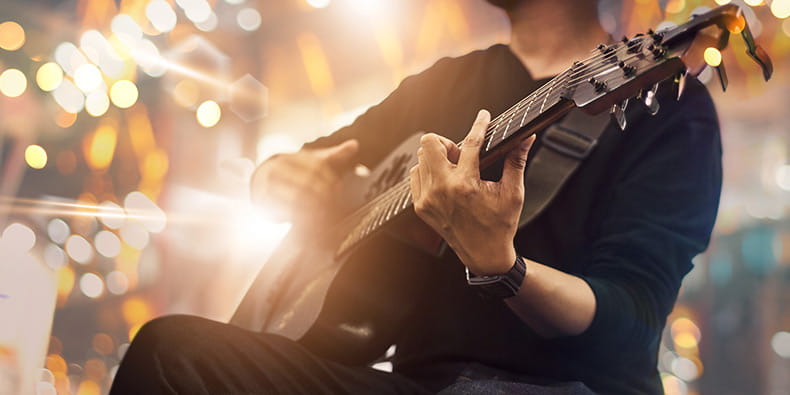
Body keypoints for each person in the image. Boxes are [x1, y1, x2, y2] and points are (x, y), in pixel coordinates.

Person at [110, 0, 721, 393]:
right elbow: (316, 158)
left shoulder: (667, 105)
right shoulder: (447, 80)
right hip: (418, 381)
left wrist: (499, 267)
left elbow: (632, 321)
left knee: (172, 357)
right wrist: (276, 176)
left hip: (553, 389)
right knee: (173, 353)